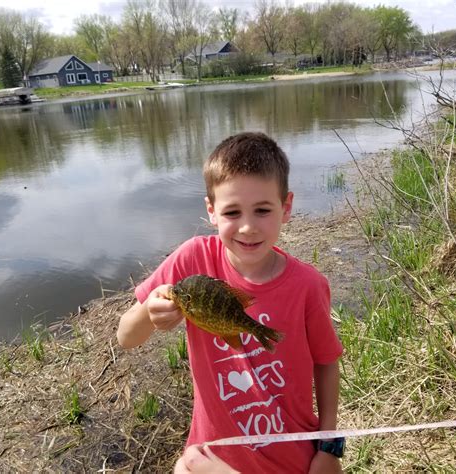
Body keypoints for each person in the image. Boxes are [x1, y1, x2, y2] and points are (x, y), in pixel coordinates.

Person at [117, 132, 344, 473]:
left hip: (292, 457)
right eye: (233, 212)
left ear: (286, 208)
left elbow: (326, 363)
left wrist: (329, 448)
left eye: (263, 210)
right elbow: (125, 337)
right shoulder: (191, 260)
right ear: (211, 211)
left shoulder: (309, 286)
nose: (248, 227)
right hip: (214, 455)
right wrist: (150, 309)